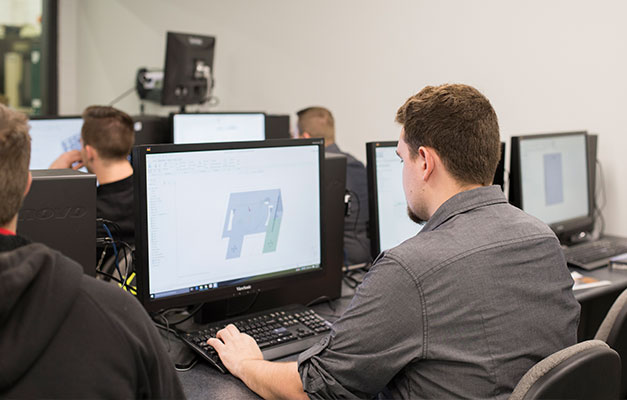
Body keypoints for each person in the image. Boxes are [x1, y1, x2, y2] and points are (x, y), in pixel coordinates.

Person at [206, 84, 580, 399]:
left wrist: (248, 364)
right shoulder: (541, 238)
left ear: (424, 162)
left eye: (401, 159)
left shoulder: (410, 269)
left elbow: (314, 388)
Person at [0, 103, 185, 398]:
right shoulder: (119, 314)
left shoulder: (91, 214)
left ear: (89, 152)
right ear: (25, 184)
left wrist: (52, 179)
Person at [50, 105, 135, 247]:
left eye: (81, 144)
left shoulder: (85, 214)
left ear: (89, 152)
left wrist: (53, 174)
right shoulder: (152, 194)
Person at [297, 106, 371, 265]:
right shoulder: (356, 164)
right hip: (367, 257)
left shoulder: (314, 171)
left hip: (339, 263)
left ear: (304, 137)